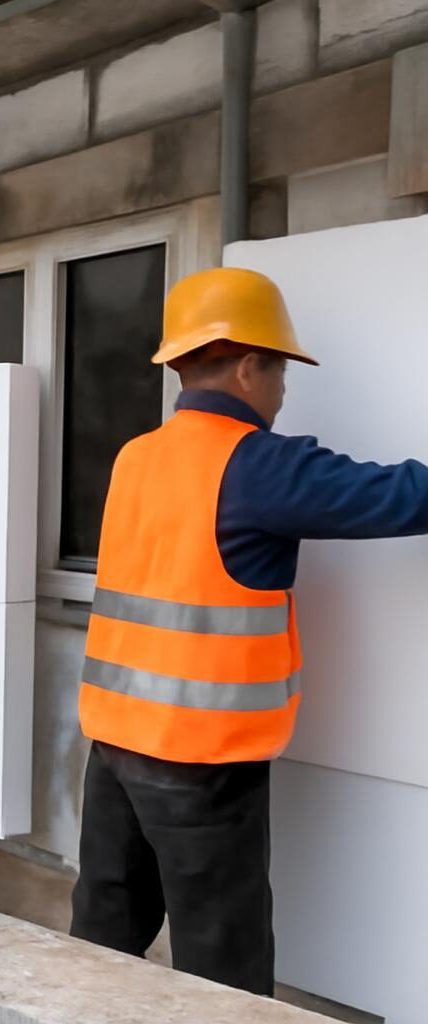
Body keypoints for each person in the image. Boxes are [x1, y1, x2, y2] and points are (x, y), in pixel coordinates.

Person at [70, 267, 428, 995]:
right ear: (245, 365)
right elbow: (400, 497)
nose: (283, 392)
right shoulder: (259, 465)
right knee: (222, 983)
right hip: (200, 769)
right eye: (280, 373)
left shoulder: (134, 459)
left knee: (95, 961)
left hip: (112, 751)